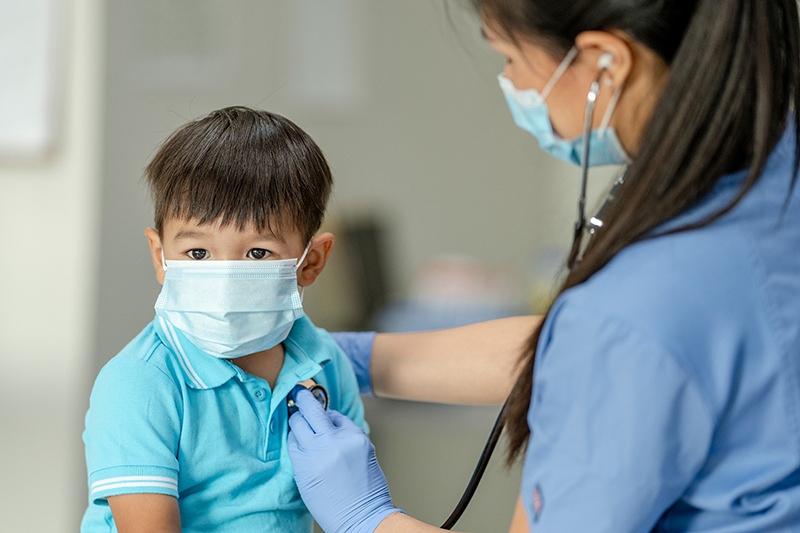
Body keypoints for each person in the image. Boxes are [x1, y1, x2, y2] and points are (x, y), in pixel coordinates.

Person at [285, 0, 800, 532]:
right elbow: (608, 356)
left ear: (605, 61)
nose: (509, 81)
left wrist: (367, 518)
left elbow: (617, 349)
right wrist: (355, 358)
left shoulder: (632, 311)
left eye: (509, 57)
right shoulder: (773, 165)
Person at [81, 106, 367, 533]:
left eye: (258, 253)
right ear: (160, 256)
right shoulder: (139, 383)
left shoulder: (325, 363)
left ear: (312, 261)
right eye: (198, 253)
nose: (227, 274)